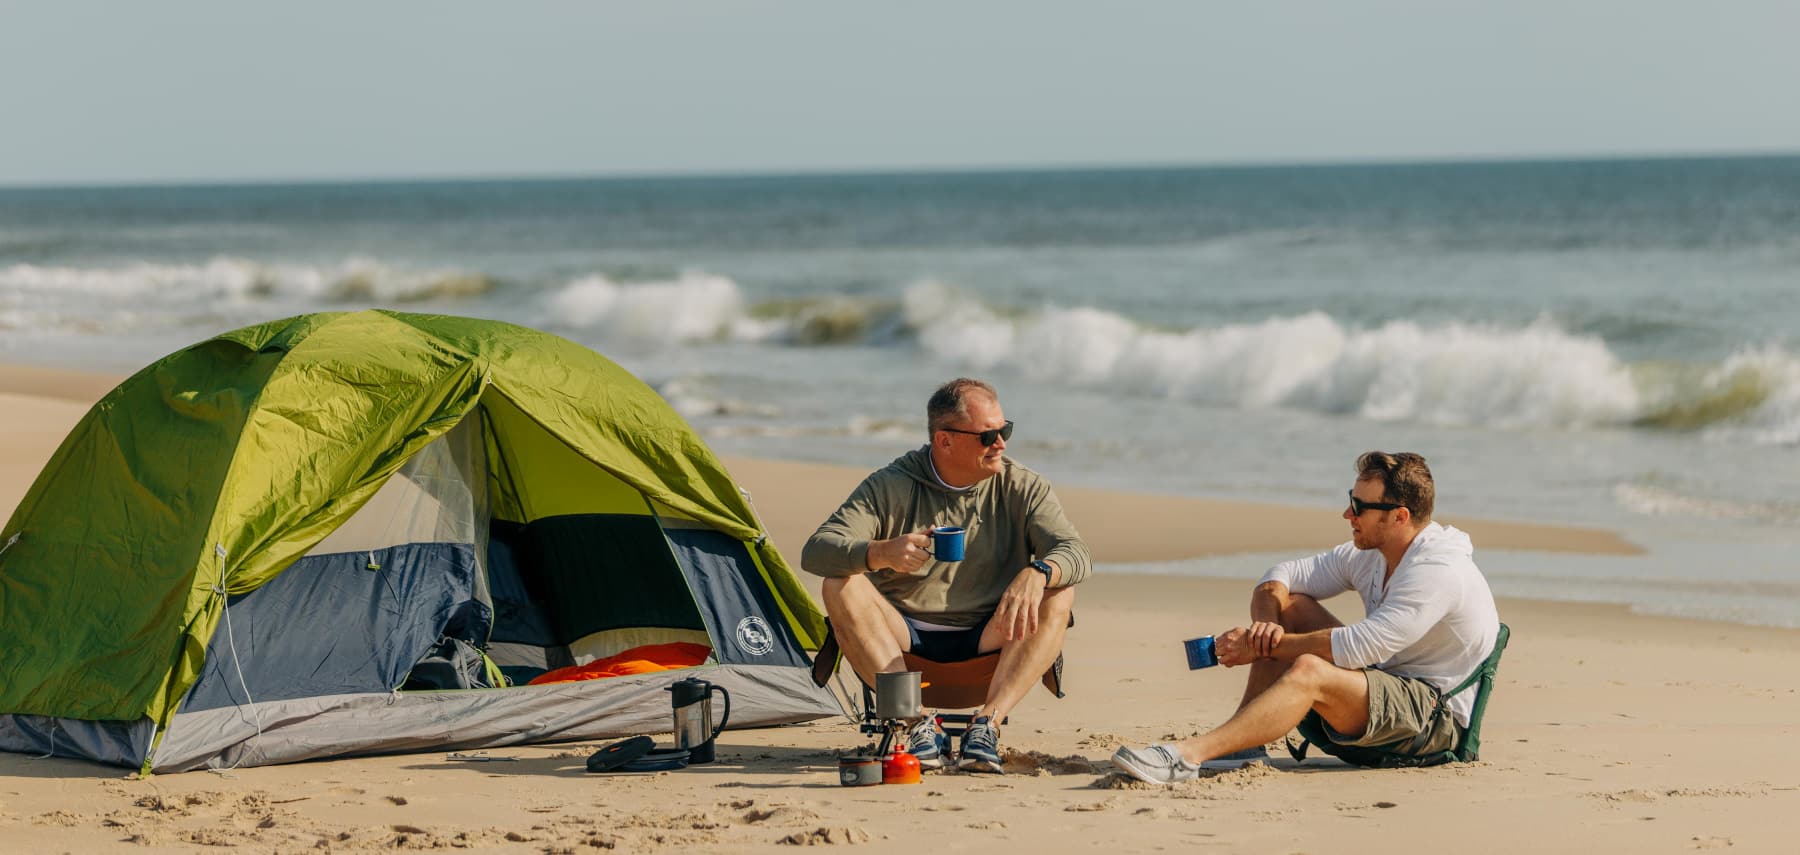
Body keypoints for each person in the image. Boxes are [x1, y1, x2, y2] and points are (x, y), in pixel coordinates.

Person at [1111, 451, 1500, 784]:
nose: (1348, 512)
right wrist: (1266, 628)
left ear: (1399, 517)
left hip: (1435, 717)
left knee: (1309, 669)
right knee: (1292, 605)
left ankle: (1188, 756)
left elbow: (1363, 645)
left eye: (1361, 506)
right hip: (1388, 685)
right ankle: (1244, 745)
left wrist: (1262, 646)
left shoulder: (1437, 569)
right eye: (1352, 498)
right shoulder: (1371, 554)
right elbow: (1281, 576)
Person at [801, 378, 1090, 773]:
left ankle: (986, 726)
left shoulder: (1023, 486)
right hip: (903, 647)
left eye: (1005, 430)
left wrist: (1038, 571)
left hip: (991, 643)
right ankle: (917, 724)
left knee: (1058, 589)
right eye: (989, 435)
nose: (1001, 444)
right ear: (945, 441)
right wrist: (879, 553)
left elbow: (1076, 553)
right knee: (840, 582)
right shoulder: (891, 485)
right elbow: (816, 550)